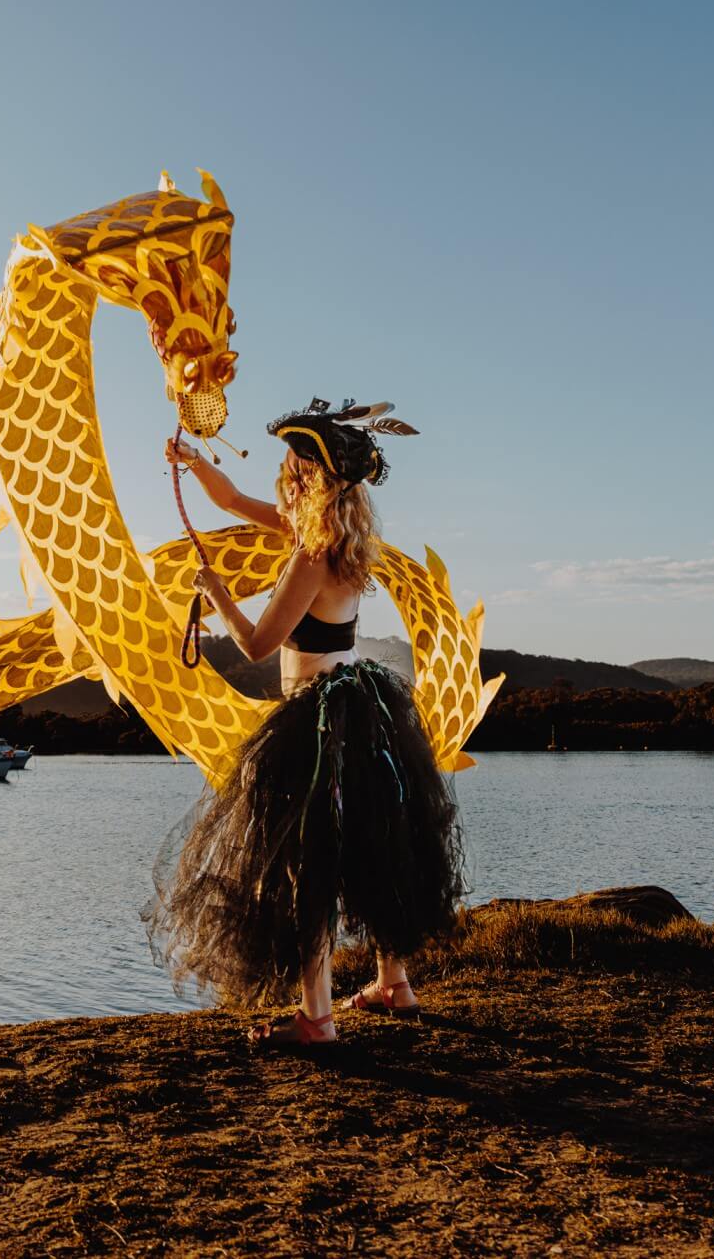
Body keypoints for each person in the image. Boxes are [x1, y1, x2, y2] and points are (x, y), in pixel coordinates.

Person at [145, 397, 465, 1046]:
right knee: (376, 850)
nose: (283, 473)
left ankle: (316, 1019)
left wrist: (217, 597)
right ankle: (393, 985)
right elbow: (234, 503)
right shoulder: (343, 542)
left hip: (315, 722)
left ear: (308, 478)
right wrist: (192, 461)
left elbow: (260, 645)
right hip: (363, 708)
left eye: (292, 464)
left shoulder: (308, 555)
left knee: (305, 865)